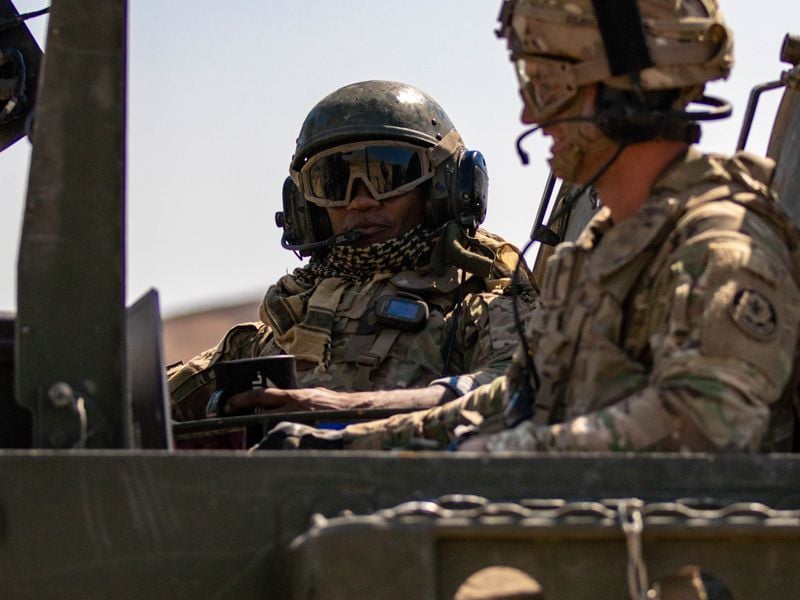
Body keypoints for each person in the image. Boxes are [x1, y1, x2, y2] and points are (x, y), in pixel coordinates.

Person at [268, 0, 800, 453]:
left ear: (622, 92)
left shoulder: (719, 247)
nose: (530, 117)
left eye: (547, 87)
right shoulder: (599, 252)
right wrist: (351, 439)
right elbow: (518, 398)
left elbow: (702, 424)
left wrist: (489, 459)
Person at [167, 80, 537, 445]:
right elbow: (149, 402)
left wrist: (341, 408)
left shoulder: (482, 302)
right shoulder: (286, 318)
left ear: (444, 187)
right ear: (306, 206)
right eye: (333, 181)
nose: (360, 201)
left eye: (387, 175)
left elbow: (520, 387)